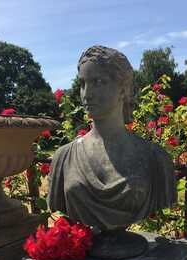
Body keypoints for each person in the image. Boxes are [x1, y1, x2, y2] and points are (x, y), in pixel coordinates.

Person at [48, 45, 176, 238]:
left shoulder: (155, 158)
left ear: (123, 89)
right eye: (82, 84)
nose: (87, 93)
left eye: (99, 82)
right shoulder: (63, 158)